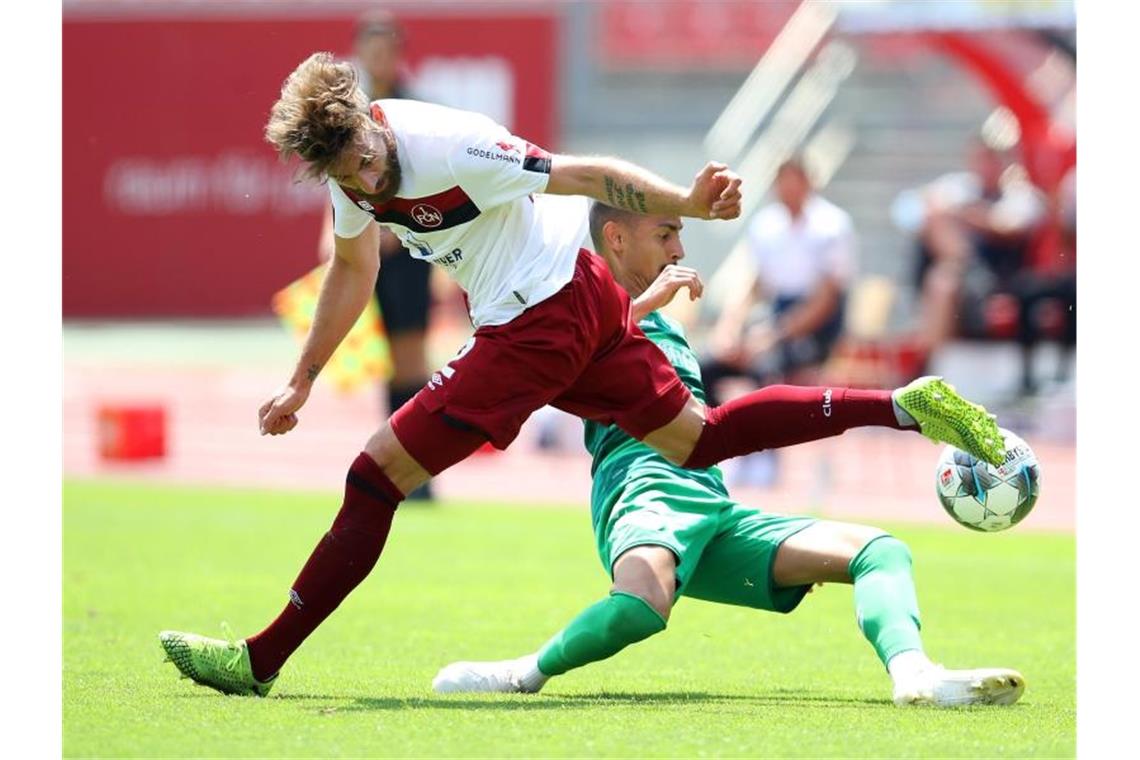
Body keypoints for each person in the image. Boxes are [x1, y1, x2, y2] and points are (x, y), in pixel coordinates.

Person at [158, 52, 1007, 698]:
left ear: (372, 120)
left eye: (367, 165)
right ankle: (901, 406)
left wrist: (680, 203)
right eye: (347, 177)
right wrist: (305, 376)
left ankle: (260, 661)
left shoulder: (450, 142)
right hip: (579, 300)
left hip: (537, 315)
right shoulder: (351, 169)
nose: (366, 183)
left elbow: (586, 174)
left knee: (374, 474)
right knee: (698, 439)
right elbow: (353, 270)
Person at [431, 202, 1025, 707]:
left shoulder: (654, 314)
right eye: (665, 233)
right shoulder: (566, 304)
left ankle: (915, 676)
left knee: (880, 552)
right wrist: (633, 308)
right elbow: (546, 362)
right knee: (640, 609)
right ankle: (520, 674)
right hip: (643, 484)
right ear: (615, 237)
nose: (679, 247)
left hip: (708, 500)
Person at [315, 11, 438, 500]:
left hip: (405, 249)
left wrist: (394, 225)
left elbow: (420, 178)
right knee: (382, 359)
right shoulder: (350, 111)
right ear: (360, 50)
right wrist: (331, 240)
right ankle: (393, 465)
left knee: (411, 358)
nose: (381, 53)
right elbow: (337, 181)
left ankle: (420, 470)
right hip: (364, 249)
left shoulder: (410, 107)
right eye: (372, 44)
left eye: (388, 44)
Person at [702, 157, 856, 405]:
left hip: (816, 326)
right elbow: (754, 284)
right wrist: (728, 328)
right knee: (706, 367)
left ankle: (768, 442)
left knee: (766, 366)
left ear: (808, 183)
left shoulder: (831, 225)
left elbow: (826, 299)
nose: (787, 189)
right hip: (776, 316)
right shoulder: (765, 225)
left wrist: (773, 335)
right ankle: (715, 436)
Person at [897, 140, 1046, 371]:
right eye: (980, 159)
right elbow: (909, 212)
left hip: (996, 284)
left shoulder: (1021, 196)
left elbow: (1008, 228)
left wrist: (966, 216)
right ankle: (928, 370)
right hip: (959, 279)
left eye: (991, 160)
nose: (985, 167)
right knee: (943, 280)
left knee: (943, 273)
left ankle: (925, 369)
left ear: (1004, 163)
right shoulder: (956, 187)